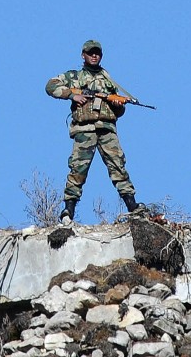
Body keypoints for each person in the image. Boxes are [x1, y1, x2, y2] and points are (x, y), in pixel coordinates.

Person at [45, 39, 145, 223]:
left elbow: (119, 111)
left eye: (97, 53)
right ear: (83, 55)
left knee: (118, 166)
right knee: (78, 168)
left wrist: (118, 105)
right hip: (85, 129)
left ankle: (132, 205)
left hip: (107, 129)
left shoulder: (108, 80)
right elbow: (50, 86)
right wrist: (72, 94)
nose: (94, 56)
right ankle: (68, 209)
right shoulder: (74, 77)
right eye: (90, 53)